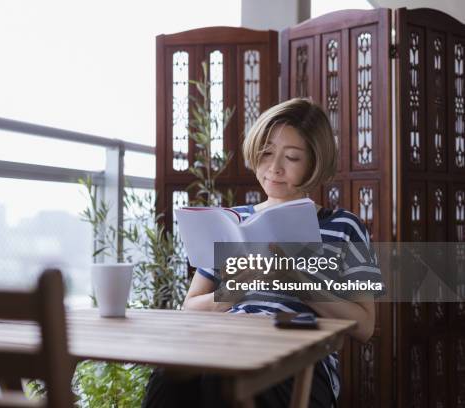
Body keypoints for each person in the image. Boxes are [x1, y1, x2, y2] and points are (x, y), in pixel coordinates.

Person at [142, 98, 383, 408]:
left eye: (292, 157)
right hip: (227, 343)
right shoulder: (232, 222)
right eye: (267, 153)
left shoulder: (344, 227)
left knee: (224, 380)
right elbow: (190, 307)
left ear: (314, 162)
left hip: (298, 361)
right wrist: (233, 291)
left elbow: (364, 327)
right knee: (168, 378)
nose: (274, 168)